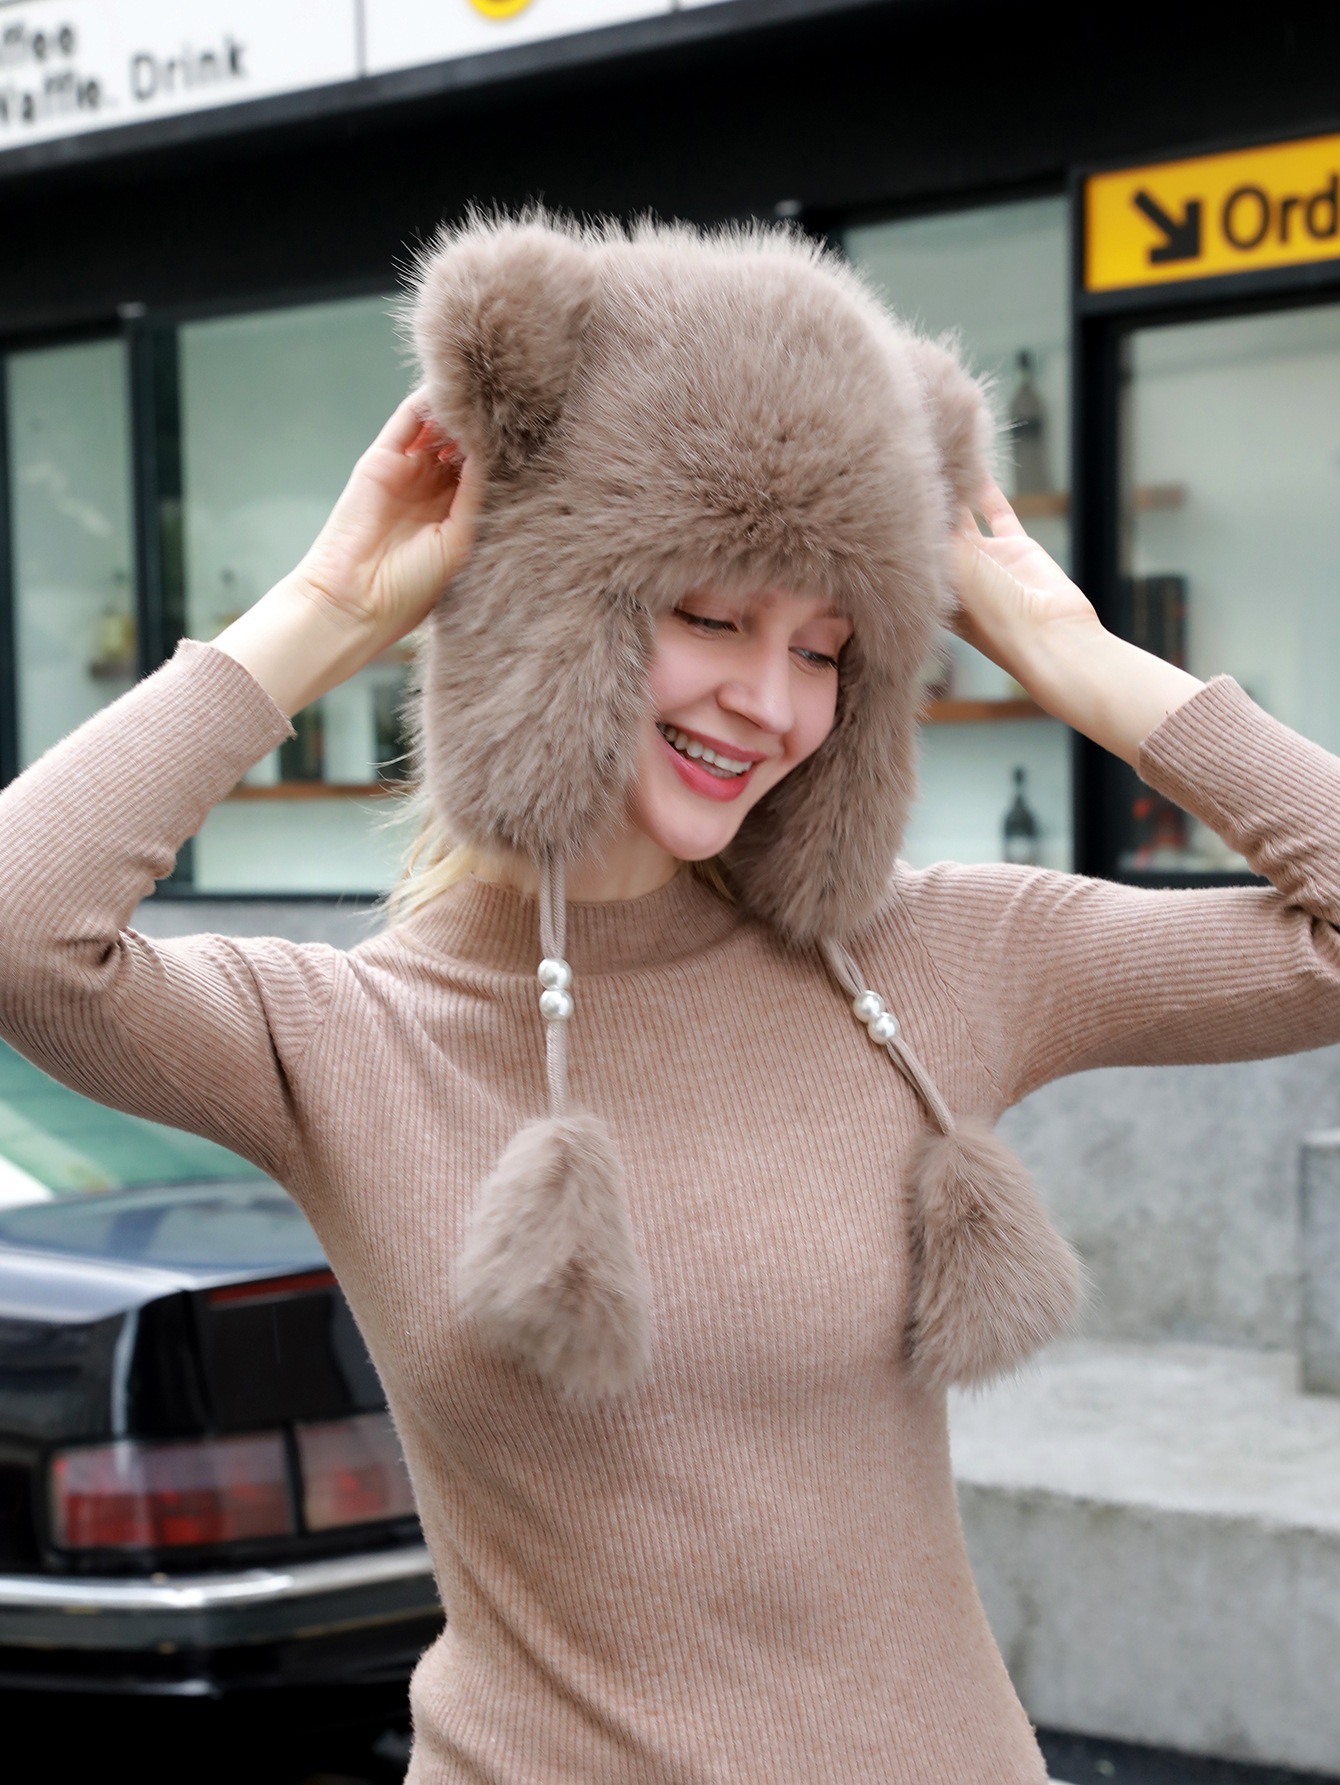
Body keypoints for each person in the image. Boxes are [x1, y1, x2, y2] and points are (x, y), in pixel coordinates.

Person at [3, 216, 1340, 1784]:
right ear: (550, 606)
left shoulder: (933, 961)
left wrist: (1077, 654)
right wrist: (335, 604)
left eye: (828, 648)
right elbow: (28, 928)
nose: (770, 703)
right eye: (709, 617)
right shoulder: (345, 1036)